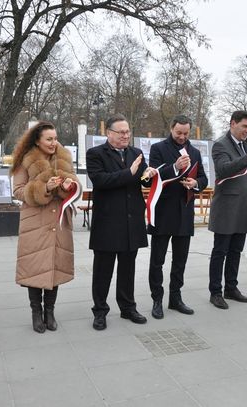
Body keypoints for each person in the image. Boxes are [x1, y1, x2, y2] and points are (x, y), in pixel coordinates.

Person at [86, 114, 155, 330]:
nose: (126, 135)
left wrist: (148, 175)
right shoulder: (96, 154)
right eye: (121, 132)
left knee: (128, 268)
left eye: (128, 132)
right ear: (109, 133)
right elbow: (101, 181)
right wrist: (130, 172)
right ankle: (100, 311)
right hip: (107, 222)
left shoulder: (136, 153)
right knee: (103, 270)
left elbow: (141, 180)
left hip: (131, 221)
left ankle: (128, 307)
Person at [11, 121, 80, 333]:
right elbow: (18, 191)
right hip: (35, 221)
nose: (53, 143)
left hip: (59, 221)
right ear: (37, 140)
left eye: (55, 138)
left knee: (54, 266)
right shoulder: (25, 160)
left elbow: (76, 182)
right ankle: (36, 312)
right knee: (35, 268)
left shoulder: (64, 157)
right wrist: (44, 187)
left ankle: (50, 312)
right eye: (49, 139)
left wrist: (69, 185)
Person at [147, 115, 208, 319]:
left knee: (180, 260)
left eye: (186, 133)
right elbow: (152, 176)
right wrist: (175, 167)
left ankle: (175, 297)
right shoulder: (158, 149)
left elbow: (204, 178)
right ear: (171, 129)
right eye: (178, 132)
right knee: (158, 260)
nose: (182, 137)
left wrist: (195, 183)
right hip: (163, 212)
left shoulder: (195, 152)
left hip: (185, 211)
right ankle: (157, 299)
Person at [208, 110, 247, 309]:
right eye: (244, 127)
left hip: (242, 208)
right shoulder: (221, 145)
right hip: (225, 207)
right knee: (220, 251)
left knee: (236, 251)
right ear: (233, 124)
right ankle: (215, 291)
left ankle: (231, 287)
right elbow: (224, 169)